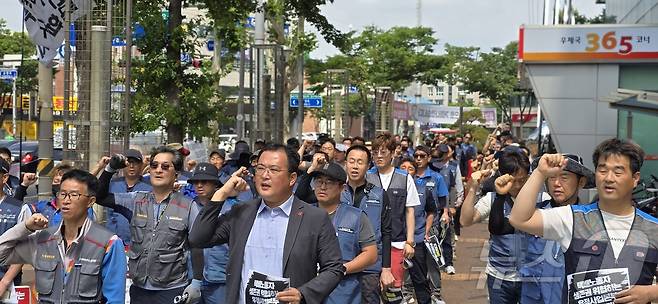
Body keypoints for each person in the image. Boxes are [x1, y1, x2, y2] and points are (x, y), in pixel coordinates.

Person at [189, 144, 345, 304]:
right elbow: (198, 238)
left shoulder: (314, 218)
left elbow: (334, 268)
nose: (265, 175)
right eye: (261, 168)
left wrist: (303, 294)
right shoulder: (241, 212)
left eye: (274, 170)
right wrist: (221, 193)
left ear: (292, 179)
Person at [510, 139, 658, 303]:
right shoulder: (572, 218)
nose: (608, 178)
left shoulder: (653, 228)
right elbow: (519, 218)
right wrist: (540, 173)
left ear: (635, 178)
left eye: (618, 172)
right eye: (602, 170)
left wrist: (651, 293)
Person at [0, 169, 127, 303]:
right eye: (63, 194)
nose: (66, 200)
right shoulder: (43, 239)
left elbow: (115, 299)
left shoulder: (108, 243)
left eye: (74, 195)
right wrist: (25, 227)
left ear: (90, 201)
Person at [94, 146, 202, 303]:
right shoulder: (135, 200)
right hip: (140, 288)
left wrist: (197, 281)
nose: (158, 170)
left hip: (172, 288)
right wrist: (110, 169)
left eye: (165, 166)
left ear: (176, 173)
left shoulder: (188, 206)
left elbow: (197, 246)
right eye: (154, 165)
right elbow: (99, 197)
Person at [460, 149, 549, 304]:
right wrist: (473, 188)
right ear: (501, 175)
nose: (518, 185)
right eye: (514, 180)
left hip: (533, 275)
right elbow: (466, 220)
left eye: (523, 179)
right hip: (499, 276)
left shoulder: (543, 199)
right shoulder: (493, 198)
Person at [517, 154, 593, 304]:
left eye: (564, 177)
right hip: (532, 297)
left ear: (581, 182)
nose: (556, 183)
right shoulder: (532, 216)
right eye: (551, 177)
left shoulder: (591, 222)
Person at [311, 162, 378, 304]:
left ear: (342, 188)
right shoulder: (303, 213)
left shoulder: (356, 216)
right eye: (319, 182)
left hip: (343, 290)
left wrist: (341, 269)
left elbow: (371, 254)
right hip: (308, 288)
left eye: (329, 183)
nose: (322, 187)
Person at [342, 145, 394, 303]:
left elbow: (386, 233)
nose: (355, 166)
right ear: (345, 164)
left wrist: (386, 268)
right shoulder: (336, 193)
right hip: (341, 265)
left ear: (368, 166)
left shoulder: (379, 194)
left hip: (370, 268)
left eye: (360, 162)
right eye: (351, 161)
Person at [366, 132, 419, 290]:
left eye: (383, 152)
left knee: (393, 290)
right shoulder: (367, 177)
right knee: (371, 289)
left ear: (393, 153)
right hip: (371, 243)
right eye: (375, 153)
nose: (379, 156)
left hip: (397, 242)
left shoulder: (404, 178)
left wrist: (410, 242)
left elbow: (410, 211)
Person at [188, 162, 239, 304]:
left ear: (215, 184)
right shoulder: (187, 205)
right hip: (191, 276)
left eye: (204, 182)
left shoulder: (231, 208)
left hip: (220, 277)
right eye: (196, 182)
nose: (199, 185)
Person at [106, 149, 152, 249]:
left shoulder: (150, 187)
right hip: (116, 242)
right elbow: (110, 214)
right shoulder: (113, 184)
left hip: (141, 243)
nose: (131, 166)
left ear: (141, 165)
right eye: (128, 163)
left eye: (135, 163)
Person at [0, 158, 27, 296]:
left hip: (7, 285)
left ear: (4, 178)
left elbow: (23, 249)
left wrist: (4, 282)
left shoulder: (20, 208)